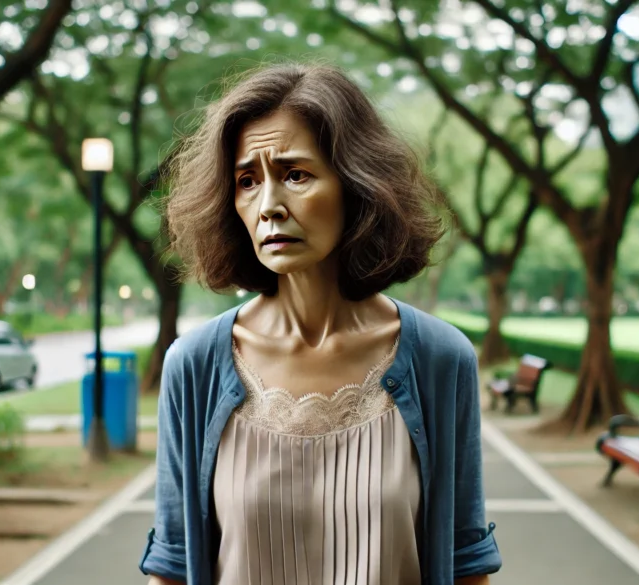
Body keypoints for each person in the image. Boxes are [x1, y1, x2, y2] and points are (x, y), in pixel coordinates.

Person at [139, 63, 501, 585]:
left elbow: (467, 563)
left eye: (295, 174)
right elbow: (171, 566)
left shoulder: (440, 359)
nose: (269, 207)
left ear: (358, 185)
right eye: (246, 181)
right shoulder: (194, 365)